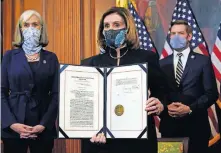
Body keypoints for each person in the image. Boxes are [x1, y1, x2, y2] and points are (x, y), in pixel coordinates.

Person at [81, 7, 168, 153]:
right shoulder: (90, 63)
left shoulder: (146, 58)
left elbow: (162, 91)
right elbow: (85, 104)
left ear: (127, 28)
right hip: (101, 141)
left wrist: (160, 103)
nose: (110, 29)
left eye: (116, 25)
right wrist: (88, 131)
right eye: (106, 26)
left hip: (138, 141)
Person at [1, 10, 59, 153]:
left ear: (41, 28)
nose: (31, 29)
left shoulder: (51, 58)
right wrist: (12, 123)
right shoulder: (9, 56)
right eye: (26, 25)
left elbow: (57, 94)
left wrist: (44, 124)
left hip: (42, 125)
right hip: (13, 126)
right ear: (20, 29)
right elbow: (1, 92)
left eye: (35, 25)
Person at [159, 20, 218, 153]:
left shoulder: (203, 61)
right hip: (170, 129)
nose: (176, 37)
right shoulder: (162, 63)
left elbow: (211, 93)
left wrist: (190, 109)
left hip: (196, 128)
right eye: (173, 33)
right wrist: (165, 107)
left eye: (180, 33)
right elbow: (159, 92)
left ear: (189, 36)